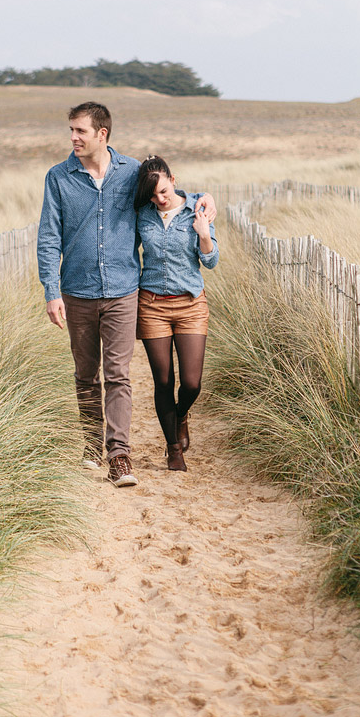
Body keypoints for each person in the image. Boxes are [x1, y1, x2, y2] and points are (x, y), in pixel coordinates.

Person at [37, 103, 216, 487]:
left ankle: (119, 455)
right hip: (77, 291)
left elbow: (167, 193)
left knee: (118, 376)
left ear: (102, 134)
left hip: (123, 292)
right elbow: (49, 237)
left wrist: (204, 196)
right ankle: (90, 444)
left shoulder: (131, 173)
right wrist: (51, 291)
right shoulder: (58, 177)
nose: (73, 138)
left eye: (80, 131)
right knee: (86, 375)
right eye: (71, 130)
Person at [134, 155, 219, 472]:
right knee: (163, 381)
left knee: (192, 383)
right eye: (153, 194)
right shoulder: (142, 215)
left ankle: (182, 414)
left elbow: (210, 262)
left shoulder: (198, 208)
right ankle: (173, 449)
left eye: (164, 191)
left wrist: (205, 235)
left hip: (191, 304)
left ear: (174, 179)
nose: (159, 198)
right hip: (152, 305)